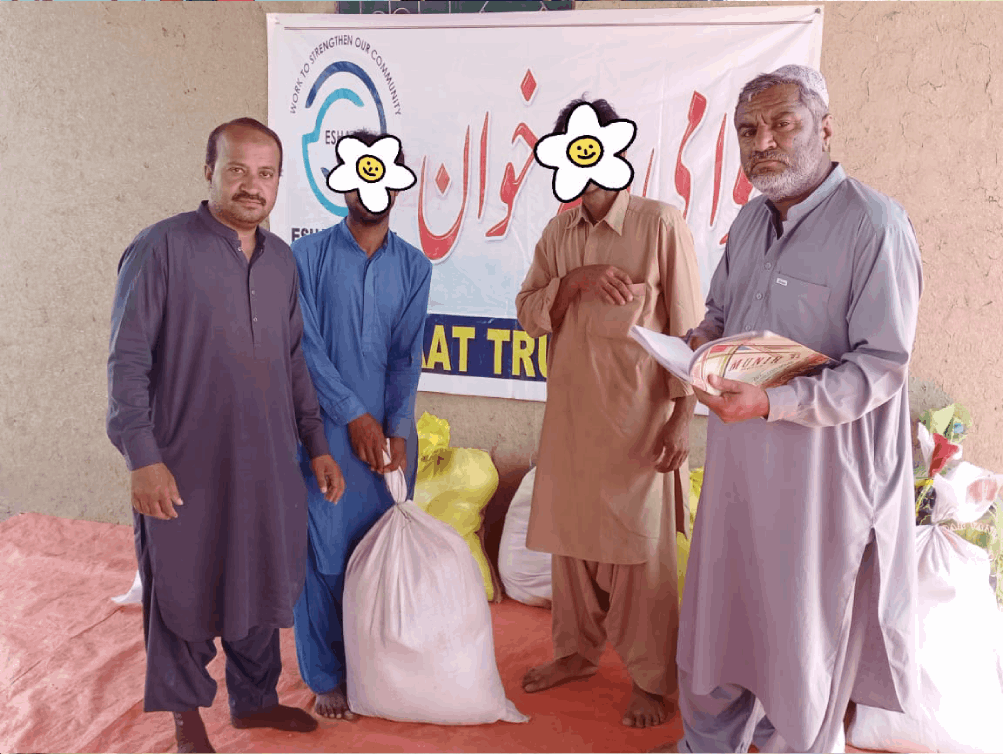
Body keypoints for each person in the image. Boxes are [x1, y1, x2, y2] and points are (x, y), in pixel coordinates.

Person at [662, 65, 922, 754]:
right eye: (748, 130)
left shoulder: (874, 226)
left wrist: (773, 401)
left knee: (801, 646)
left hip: (821, 485)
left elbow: (882, 368)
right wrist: (693, 347)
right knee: (719, 626)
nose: (763, 142)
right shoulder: (749, 221)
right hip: (739, 470)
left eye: (783, 123)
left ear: (824, 128)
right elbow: (718, 316)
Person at [107, 117, 345, 754]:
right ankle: (187, 721)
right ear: (208, 170)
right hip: (184, 464)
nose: (252, 186)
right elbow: (127, 361)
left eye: (266, 174)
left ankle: (255, 700)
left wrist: (316, 443)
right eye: (237, 170)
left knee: (261, 579)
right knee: (183, 587)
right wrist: (142, 458)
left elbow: (294, 359)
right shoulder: (160, 249)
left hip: (267, 461)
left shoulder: (281, 261)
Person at [515, 98, 704, 729]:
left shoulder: (660, 223)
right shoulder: (558, 233)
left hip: (639, 427)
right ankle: (574, 653)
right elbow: (526, 310)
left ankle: (654, 681)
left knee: (637, 555)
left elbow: (693, 330)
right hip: (570, 423)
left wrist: (682, 419)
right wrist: (573, 283)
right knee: (570, 548)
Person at [290, 129, 433, 721]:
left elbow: (406, 353)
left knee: (380, 554)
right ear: (340, 183)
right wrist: (354, 416)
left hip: (391, 438)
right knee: (324, 555)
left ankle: (376, 668)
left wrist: (396, 428)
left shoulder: (415, 265)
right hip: (323, 435)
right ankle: (326, 674)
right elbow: (304, 347)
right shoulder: (307, 258)